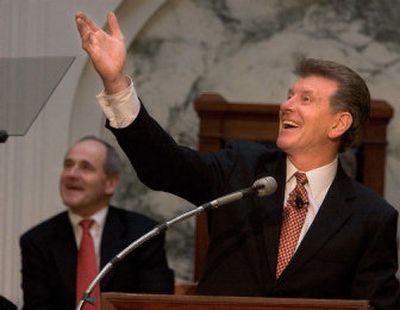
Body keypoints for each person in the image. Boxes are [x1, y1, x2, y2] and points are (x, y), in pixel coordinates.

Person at [75, 11, 400, 309]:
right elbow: (165, 166)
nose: (287, 105)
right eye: (289, 95)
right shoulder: (242, 168)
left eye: (306, 99)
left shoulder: (371, 217)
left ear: (339, 123)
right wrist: (116, 84)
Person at [20, 136, 174, 310]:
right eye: (68, 165)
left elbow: (155, 304)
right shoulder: (37, 240)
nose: (72, 174)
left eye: (86, 167)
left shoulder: (143, 235)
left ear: (111, 183)